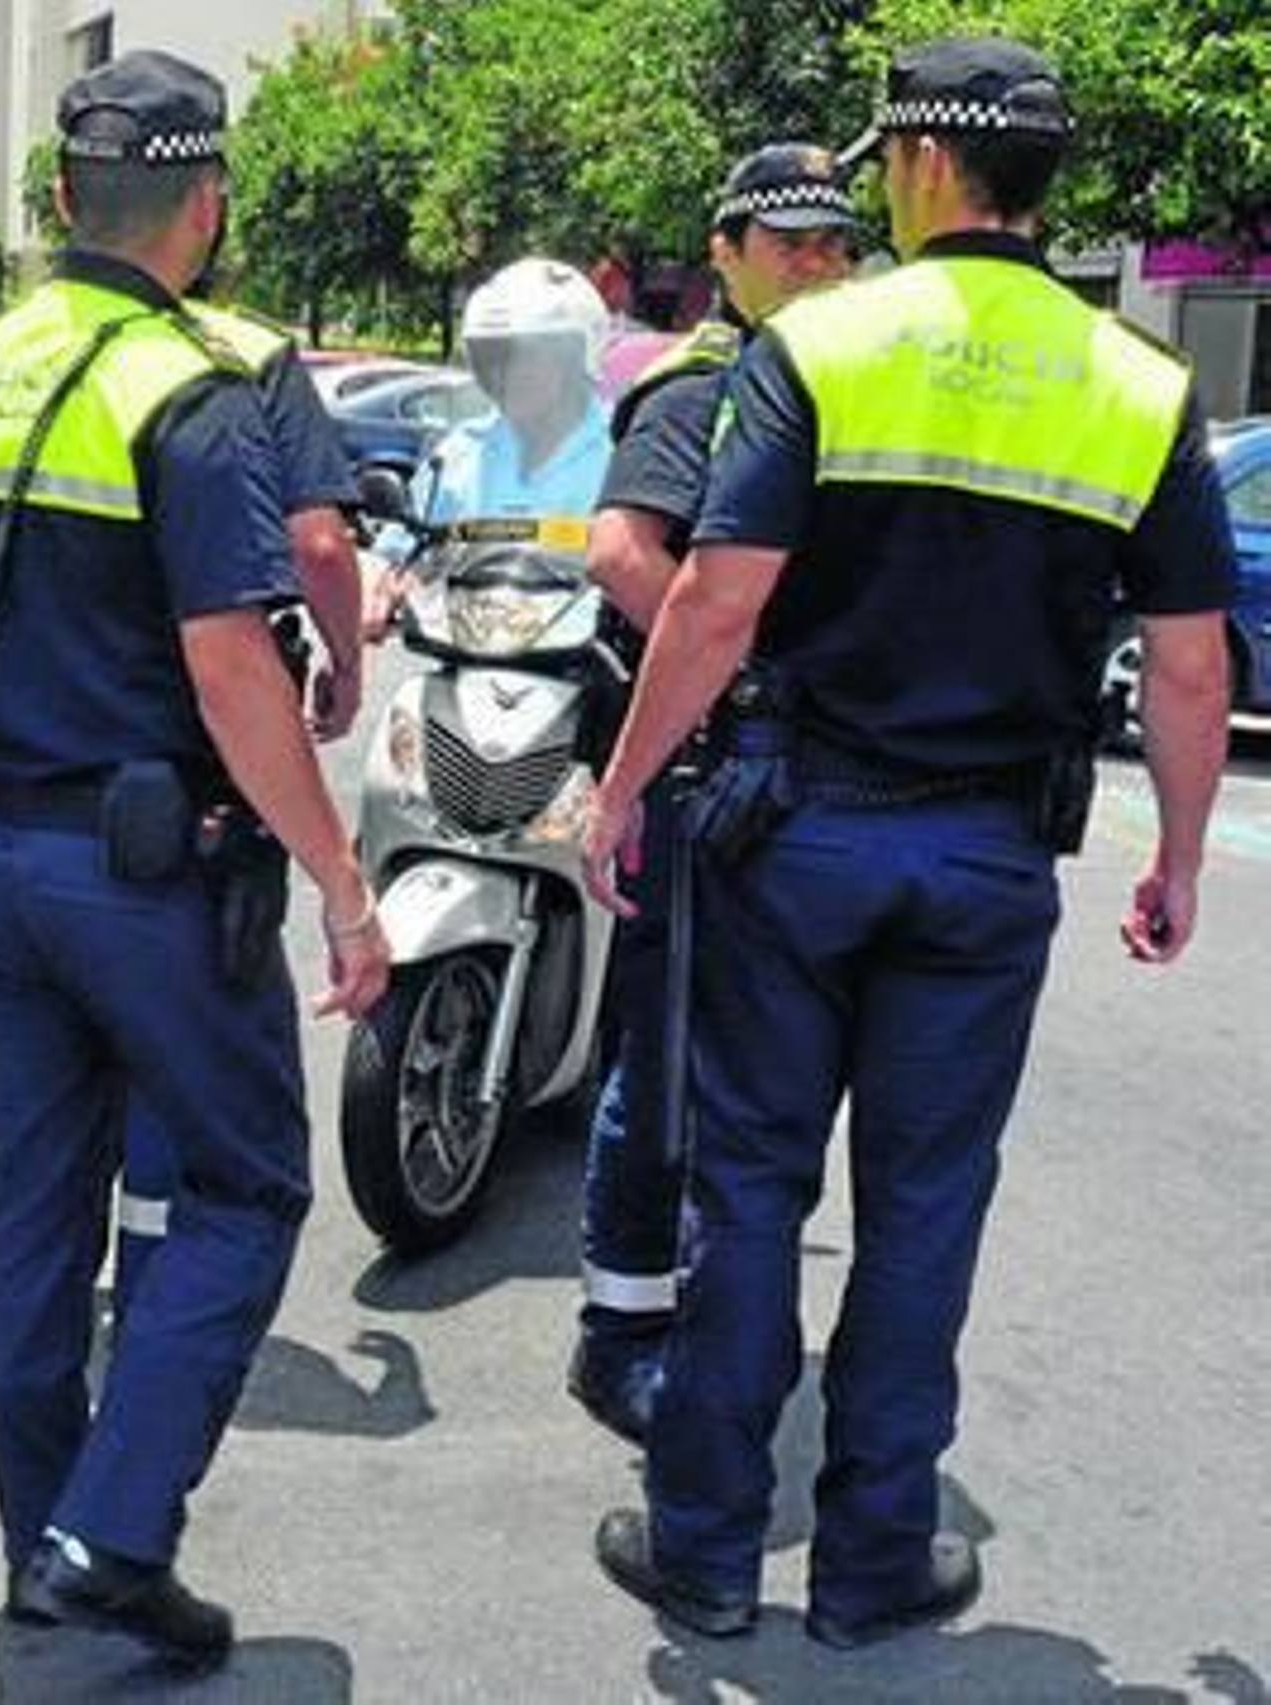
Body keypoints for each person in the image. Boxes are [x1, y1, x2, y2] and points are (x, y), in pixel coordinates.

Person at [581, 36, 1234, 1648]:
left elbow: (715, 602)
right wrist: (1178, 857)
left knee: (749, 1187)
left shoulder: (823, 344)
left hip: (794, 838)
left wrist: (623, 788)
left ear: (929, 164)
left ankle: (707, 1549)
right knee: (926, 1209)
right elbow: (1190, 660)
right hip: (990, 857)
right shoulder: (1139, 383)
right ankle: (875, 1558)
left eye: (882, 161)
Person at [0, 49, 389, 1669]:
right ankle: (110, 1539)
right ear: (208, 206)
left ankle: (43, 1554)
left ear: (61, 196)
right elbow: (233, 669)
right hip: (143, 874)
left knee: (32, 1221)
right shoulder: (187, 391)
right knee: (248, 1184)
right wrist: (341, 884)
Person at [569, 143, 855, 1448]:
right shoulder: (703, 384)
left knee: (737, 1066)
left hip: (775, 775)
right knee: (665, 1060)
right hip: (695, 767)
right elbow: (624, 552)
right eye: (787, 242)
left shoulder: (831, 376)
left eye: (834, 242)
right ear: (724, 251)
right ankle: (621, 1333)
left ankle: (691, 1312)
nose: (816, 263)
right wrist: (745, 669)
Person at [115, 294, 366, 1318]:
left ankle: (105, 1330)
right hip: (193, 785)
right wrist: (346, 658)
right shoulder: (246, 353)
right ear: (206, 219)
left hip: (28, 798)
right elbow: (318, 547)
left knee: (51, 1155)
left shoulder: (19, 354)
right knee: (225, 1130)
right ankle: (155, 1348)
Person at [361, 257, 611, 633]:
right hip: (463, 650)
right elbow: (393, 551)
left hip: (584, 659)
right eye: (492, 358)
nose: (504, 373)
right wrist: (376, 584)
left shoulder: (625, 452)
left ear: (574, 356)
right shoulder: (459, 452)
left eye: (524, 355)